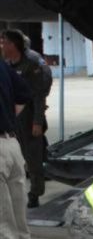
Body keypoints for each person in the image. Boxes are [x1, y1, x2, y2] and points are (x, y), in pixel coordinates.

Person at [0, 59, 43, 239]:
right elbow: (25, 94)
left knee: (3, 233)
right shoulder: (2, 65)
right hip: (11, 145)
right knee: (19, 229)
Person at [0, 29, 53, 208]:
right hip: (13, 119)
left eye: (4, 42)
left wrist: (38, 121)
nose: (1, 45)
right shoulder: (7, 64)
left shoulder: (31, 64)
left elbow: (39, 95)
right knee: (16, 157)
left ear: (13, 45)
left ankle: (35, 193)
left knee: (33, 158)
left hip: (30, 117)